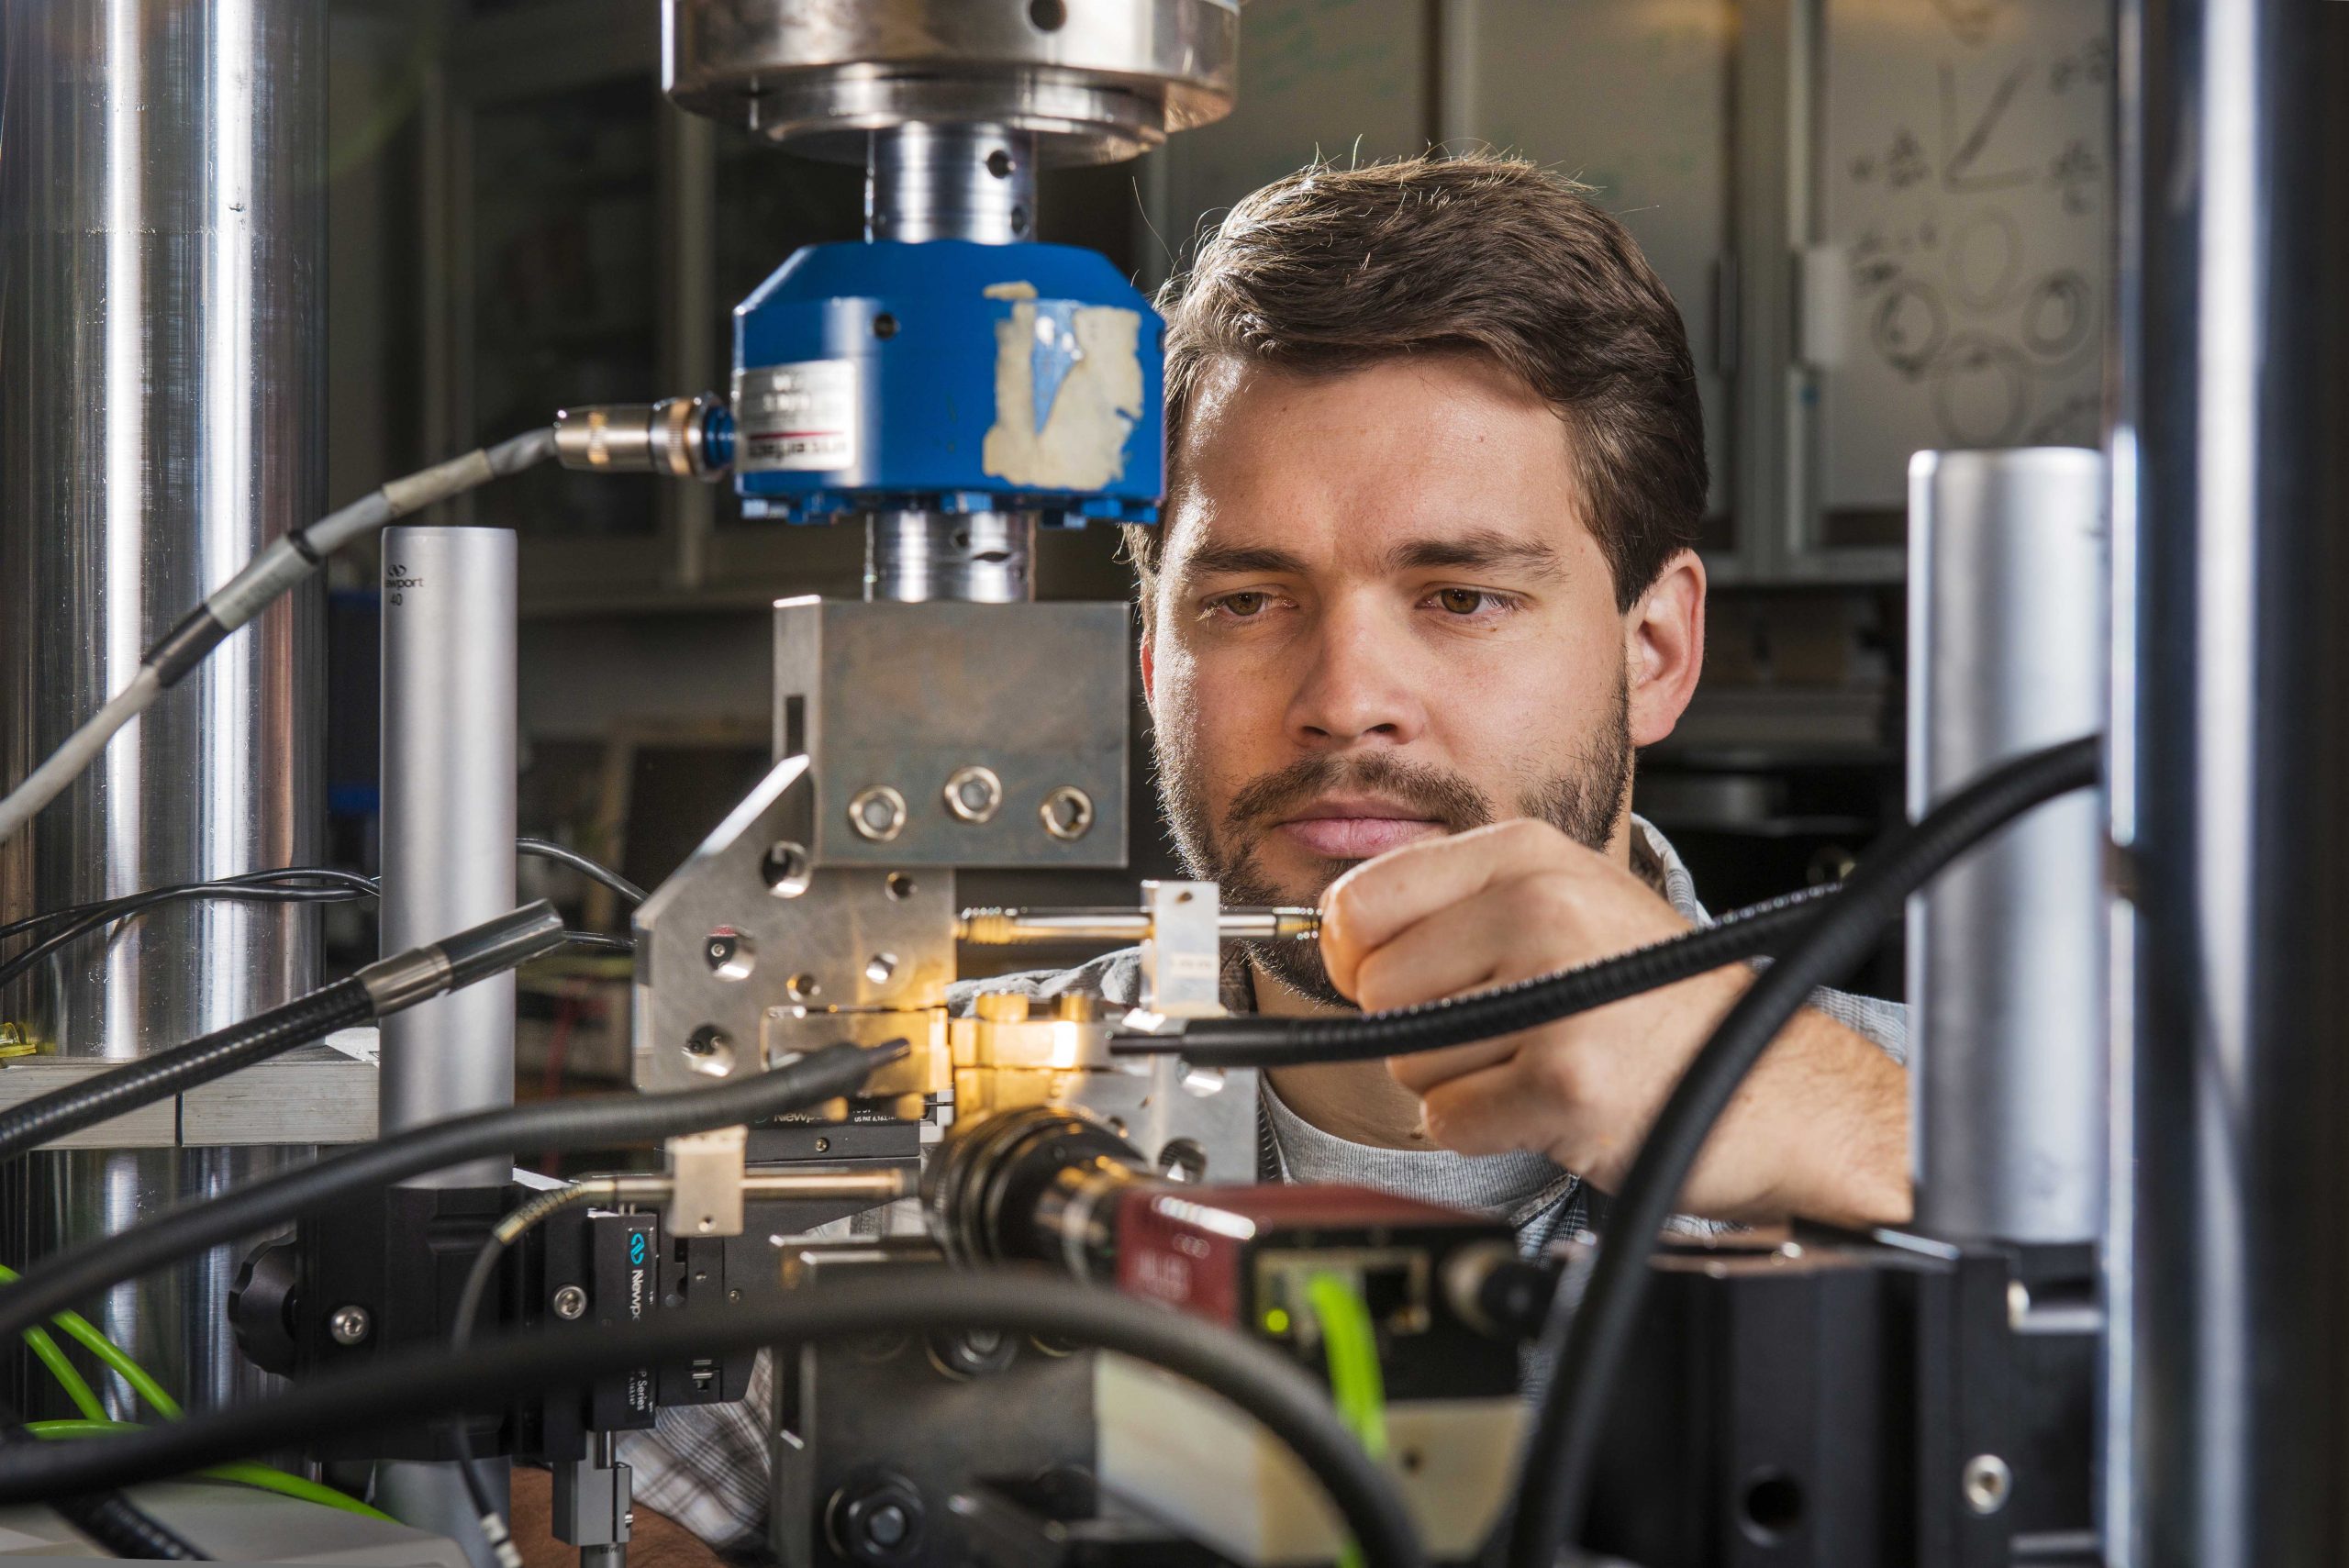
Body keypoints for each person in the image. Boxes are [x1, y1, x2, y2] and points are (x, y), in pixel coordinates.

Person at [525, 152, 1909, 1565]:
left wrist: (1839, 1119)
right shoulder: (973, 1091)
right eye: (1247, 600)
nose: (1345, 698)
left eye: (1461, 596)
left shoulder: (1916, 1115)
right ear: (1151, 662)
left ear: (1654, 650)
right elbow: (602, 1494)